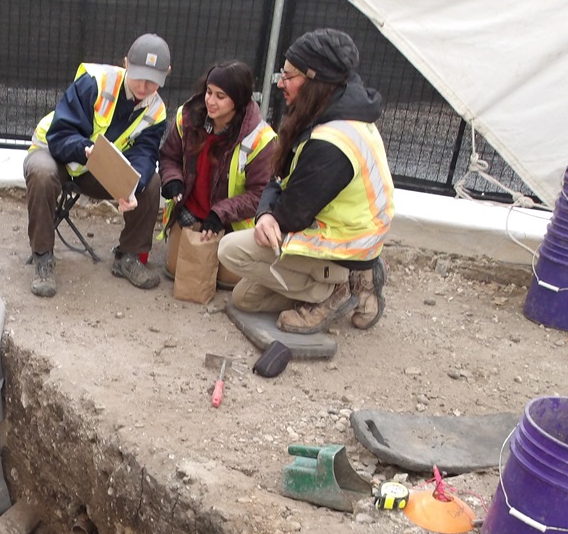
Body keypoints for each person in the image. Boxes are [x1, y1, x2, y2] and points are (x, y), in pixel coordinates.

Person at [217, 28, 394, 333]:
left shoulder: (330, 143)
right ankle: (340, 280)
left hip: (345, 242)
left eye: (289, 76)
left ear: (315, 79)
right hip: (337, 228)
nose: (280, 83)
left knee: (230, 249)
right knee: (245, 298)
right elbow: (279, 177)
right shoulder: (328, 112)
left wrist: (269, 215)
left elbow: (291, 214)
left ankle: (339, 288)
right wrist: (266, 211)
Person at [24, 33, 172, 298]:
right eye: (139, 76)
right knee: (42, 173)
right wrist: (85, 150)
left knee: (150, 182)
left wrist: (131, 187)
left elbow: (145, 155)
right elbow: (60, 134)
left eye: (153, 80)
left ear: (167, 74)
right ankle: (43, 257)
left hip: (96, 169)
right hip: (55, 152)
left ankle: (128, 256)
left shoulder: (157, 111)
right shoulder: (95, 81)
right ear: (126, 63)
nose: (144, 86)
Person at [158, 60, 276, 282]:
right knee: (176, 271)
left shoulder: (261, 138)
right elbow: (169, 156)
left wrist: (221, 213)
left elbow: (260, 194)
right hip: (189, 213)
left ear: (238, 100)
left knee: (228, 280)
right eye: (209, 92)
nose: (210, 101)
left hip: (232, 222)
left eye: (220, 96)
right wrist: (172, 179)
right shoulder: (186, 117)